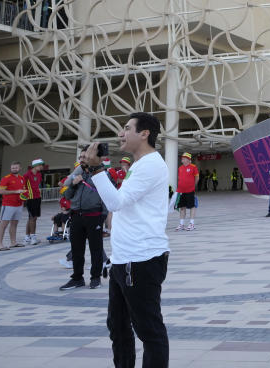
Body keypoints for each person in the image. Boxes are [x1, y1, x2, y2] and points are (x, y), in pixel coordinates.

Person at [85, 112, 171, 368]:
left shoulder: (152, 164)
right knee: (118, 327)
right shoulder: (138, 165)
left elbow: (116, 201)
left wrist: (97, 168)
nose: (120, 134)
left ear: (144, 133)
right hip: (124, 260)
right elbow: (122, 205)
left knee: (149, 331)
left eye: (126, 128)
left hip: (142, 259)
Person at [61, 145, 110, 290]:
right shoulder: (76, 175)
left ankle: (95, 278)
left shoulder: (101, 174)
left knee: (96, 248)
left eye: (85, 157)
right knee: (76, 249)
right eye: (81, 157)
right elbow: (67, 195)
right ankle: (77, 278)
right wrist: (73, 185)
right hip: (76, 215)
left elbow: (107, 195)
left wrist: (103, 216)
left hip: (94, 215)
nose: (82, 159)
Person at [0, 161, 27, 251]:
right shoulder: (6, 178)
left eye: (16, 168)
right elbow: (1, 191)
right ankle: (0, 245)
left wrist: (25, 195)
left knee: (14, 224)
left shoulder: (22, 178)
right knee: (3, 224)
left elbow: (23, 190)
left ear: (20, 168)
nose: (14, 169)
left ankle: (13, 242)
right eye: (13, 168)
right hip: (8, 205)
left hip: (19, 204)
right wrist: (16, 191)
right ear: (10, 168)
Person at [175, 153, 199, 231]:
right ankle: (181, 224)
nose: (182, 159)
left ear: (188, 159)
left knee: (192, 206)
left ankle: (191, 224)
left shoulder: (193, 167)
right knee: (182, 207)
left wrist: (193, 186)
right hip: (181, 191)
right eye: (182, 158)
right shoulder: (180, 168)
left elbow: (197, 177)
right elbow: (180, 178)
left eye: (184, 158)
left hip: (190, 190)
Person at [23, 158, 44, 245]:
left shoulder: (39, 174)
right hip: (30, 198)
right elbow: (23, 187)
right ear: (35, 166)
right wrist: (25, 198)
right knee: (33, 218)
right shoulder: (27, 175)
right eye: (40, 165)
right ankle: (33, 237)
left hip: (37, 197)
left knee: (31, 218)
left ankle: (27, 237)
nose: (42, 167)